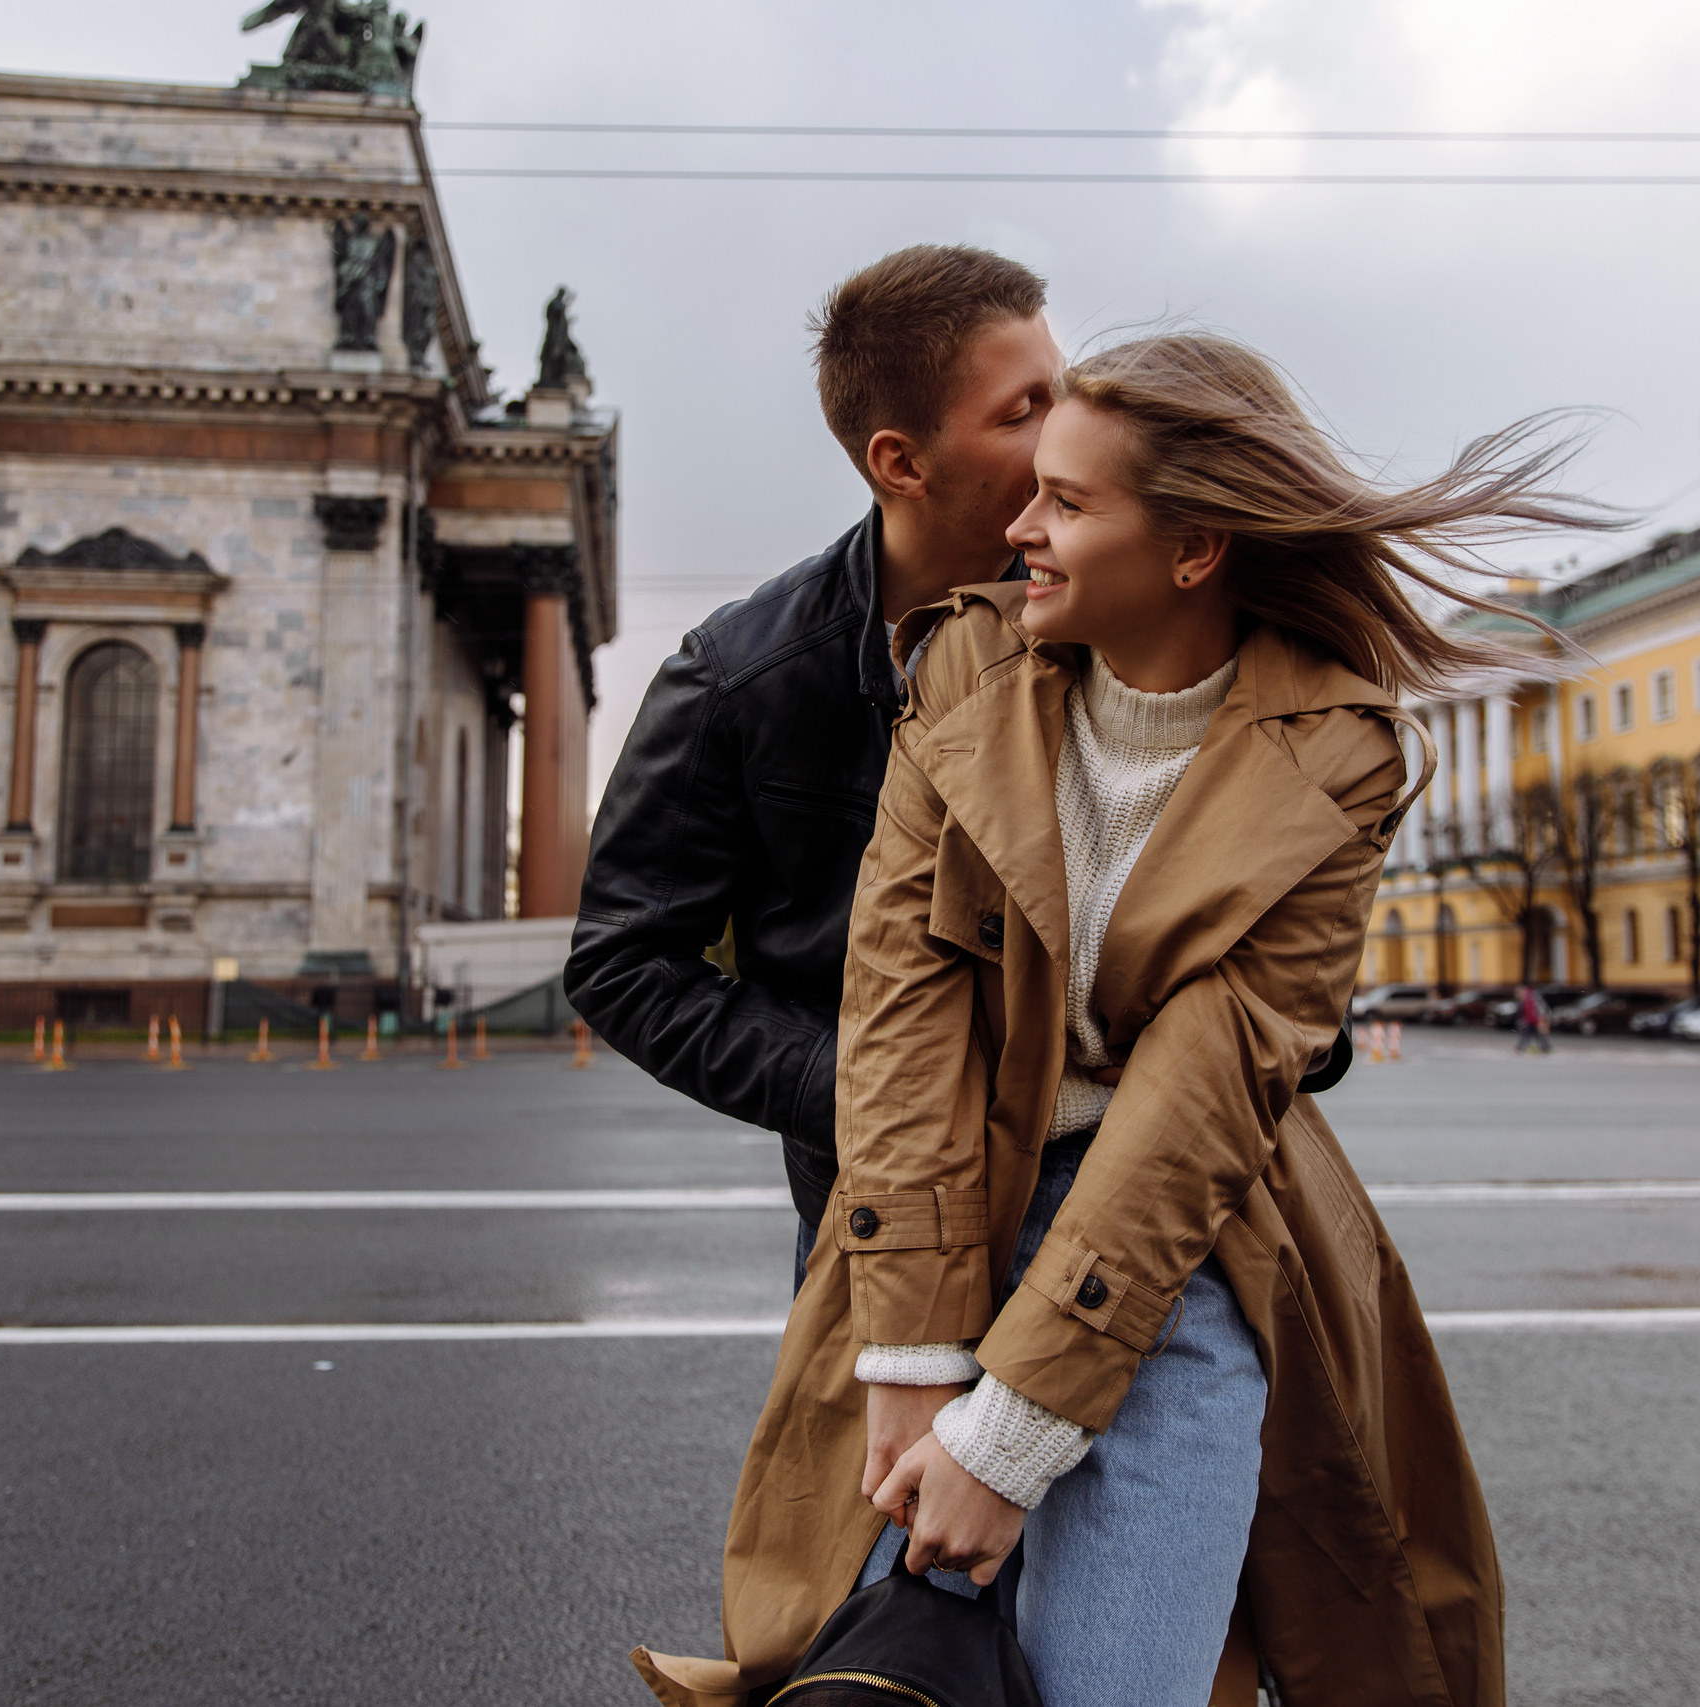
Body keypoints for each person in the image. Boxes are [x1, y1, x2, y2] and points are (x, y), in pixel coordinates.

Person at [634, 334, 1613, 1707]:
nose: (1018, 528)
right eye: (1031, 487)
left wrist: (1013, 1431)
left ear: (1195, 546)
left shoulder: (1337, 751)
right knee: (883, 1677)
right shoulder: (963, 672)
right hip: (931, 1231)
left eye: (1067, 503)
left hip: (1172, 1257)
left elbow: (1197, 1102)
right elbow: (903, 1024)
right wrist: (915, 1360)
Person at [566, 246, 1061, 1272]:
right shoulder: (739, 674)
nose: (1068, 437)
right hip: (882, 1213)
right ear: (900, 463)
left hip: (1123, 1194)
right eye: (1024, 412)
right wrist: (863, 1090)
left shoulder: (1125, 615)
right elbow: (623, 961)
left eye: (1067, 394)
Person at [1516, 981, 1552, 1053]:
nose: (1520, 994)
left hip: (1537, 1020)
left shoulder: (1533, 998)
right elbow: (1523, 1011)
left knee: (1539, 1035)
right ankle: (1521, 1047)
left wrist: (1542, 1020)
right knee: (1527, 1034)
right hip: (1529, 1021)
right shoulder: (1526, 999)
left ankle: (1546, 1048)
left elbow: (1542, 1009)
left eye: (1521, 992)